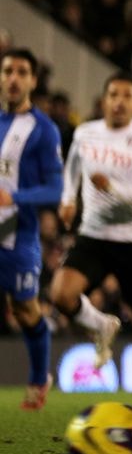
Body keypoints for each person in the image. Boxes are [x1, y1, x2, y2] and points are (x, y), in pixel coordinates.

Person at [49, 71, 132, 409]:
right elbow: (72, 165)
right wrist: (68, 199)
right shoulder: (86, 133)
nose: (119, 102)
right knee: (61, 294)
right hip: (94, 236)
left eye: (127, 96)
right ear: (104, 100)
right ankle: (102, 325)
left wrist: (112, 189)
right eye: (113, 95)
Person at [1, 48, 63, 410]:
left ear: (33, 81)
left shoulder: (43, 130)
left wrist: (14, 197)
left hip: (17, 232)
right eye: (7, 70)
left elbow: (54, 189)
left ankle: (40, 379)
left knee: (24, 310)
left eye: (22, 72)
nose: (13, 78)